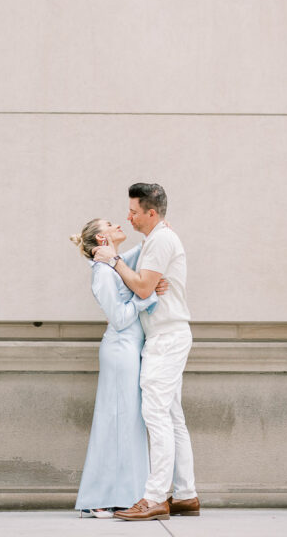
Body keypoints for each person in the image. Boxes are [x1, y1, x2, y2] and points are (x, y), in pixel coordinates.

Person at [92, 183, 200, 521]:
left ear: (151, 213)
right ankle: (185, 494)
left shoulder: (160, 240)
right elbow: (145, 283)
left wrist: (113, 260)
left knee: (156, 415)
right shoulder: (155, 240)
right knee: (171, 417)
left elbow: (141, 286)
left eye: (134, 212)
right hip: (168, 335)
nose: (129, 217)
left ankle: (154, 497)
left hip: (166, 339)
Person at [70, 218, 165, 518]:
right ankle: (100, 496)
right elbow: (120, 318)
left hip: (130, 351)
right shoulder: (102, 273)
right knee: (115, 422)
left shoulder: (115, 263)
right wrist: (147, 297)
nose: (120, 223)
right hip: (120, 352)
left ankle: (126, 494)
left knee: (129, 424)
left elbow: (144, 250)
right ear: (101, 238)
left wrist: (159, 227)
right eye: (111, 224)